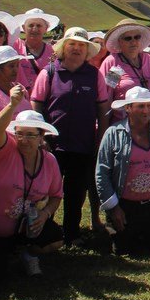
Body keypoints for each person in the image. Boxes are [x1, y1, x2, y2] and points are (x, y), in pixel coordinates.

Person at [31, 27, 112, 247]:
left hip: (82, 143)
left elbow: (102, 108)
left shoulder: (95, 75)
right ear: (62, 48)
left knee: (76, 192)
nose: (76, 49)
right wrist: (41, 137)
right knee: (44, 191)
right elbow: (36, 104)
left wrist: (101, 139)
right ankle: (42, 231)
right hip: (52, 145)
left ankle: (72, 233)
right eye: (72, 44)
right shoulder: (48, 72)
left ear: (87, 51)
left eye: (81, 46)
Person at [0, 88, 64, 276]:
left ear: (41, 137)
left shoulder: (49, 160)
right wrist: (12, 105)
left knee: (55, 239)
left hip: (27, 225)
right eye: (20, 134)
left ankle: (27, 253)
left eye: (30, 135)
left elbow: (56, 196)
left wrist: (45, 214)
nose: (24, 140)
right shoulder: (5, 152)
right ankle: (8, 253)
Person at [96, 87, 150, 255]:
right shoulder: (113, 133)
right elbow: (102, 173)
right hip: (125, 206)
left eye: (149, 106)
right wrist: (113, 208)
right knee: (124, 249)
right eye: (141, 106)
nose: (146, 110)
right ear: (128, 108)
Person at [99, 19, 150, 120]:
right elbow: (106, 96)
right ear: (119, 41)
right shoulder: (114, 63)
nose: (133, 42)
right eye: (128, 38)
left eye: (137, 37)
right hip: (123, 124)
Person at [10, 6, 61, 89]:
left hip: (42, 99)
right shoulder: (15, 46)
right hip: (18, 98)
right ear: (23, 28)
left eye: (39, 25)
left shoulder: (53, 52)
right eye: (31, 25)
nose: (35, 29)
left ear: (46, 29)